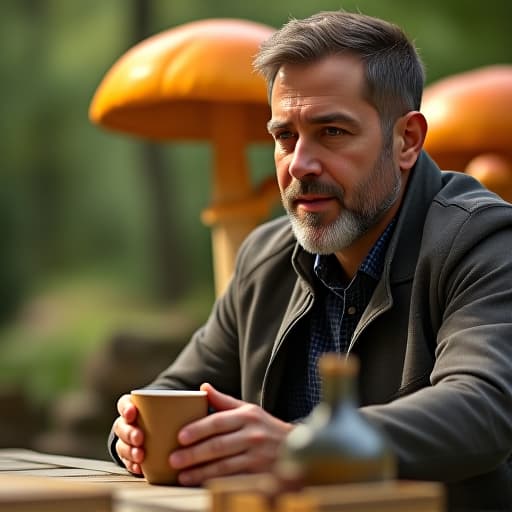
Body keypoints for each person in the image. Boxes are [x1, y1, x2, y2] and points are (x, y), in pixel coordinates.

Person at [109, 11, 512, 511]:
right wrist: (133, 431)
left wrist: (297, 447)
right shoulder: (265, 257)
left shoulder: (485, 240)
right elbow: (175, 390)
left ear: (406, 140)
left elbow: (484, 410)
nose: (299, 163)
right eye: (284, 136)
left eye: (333, 132)